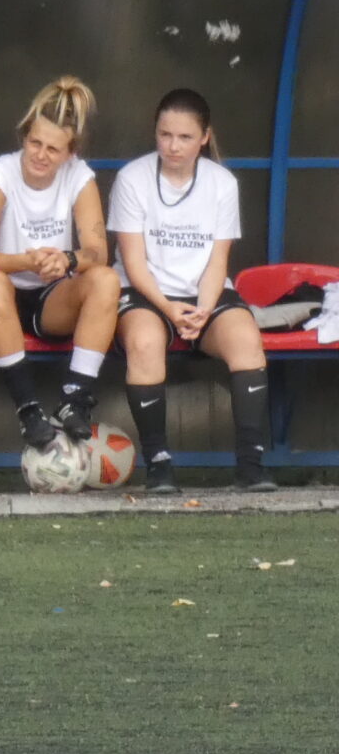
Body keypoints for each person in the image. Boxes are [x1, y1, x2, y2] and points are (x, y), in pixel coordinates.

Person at [111, 88, 272, 493]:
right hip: (146, 292)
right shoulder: (132, 178)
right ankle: (159, 465)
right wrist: (168, 307)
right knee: (145, 342)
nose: (173, 146)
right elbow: (133, 263)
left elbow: (218, 261)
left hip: (204, 294)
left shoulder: (222, 183)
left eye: (184, 137)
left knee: (246, 340)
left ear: (204, 137)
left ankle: (251, 467)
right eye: (165, 135)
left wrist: (203, 310)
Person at [0, 77, 121, 451]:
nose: (41, 155)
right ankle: (28, 411)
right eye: (35, 143)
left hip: (47, 297)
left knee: (106, 280)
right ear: (23, 138)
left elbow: (97, 251)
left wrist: (67, 260)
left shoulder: (79, 176)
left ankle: (74, 398)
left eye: (53, 149)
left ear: (70, 154)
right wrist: (25, 261)